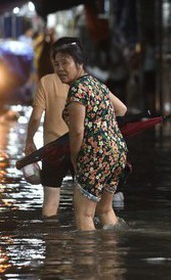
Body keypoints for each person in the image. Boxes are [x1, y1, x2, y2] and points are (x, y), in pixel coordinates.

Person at [51, 37, 128, 231]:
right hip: (116, 153)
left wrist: (75, 159)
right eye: (56, 64)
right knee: (105, 210)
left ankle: (87, 258)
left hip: (94, 155)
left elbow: (77, 132)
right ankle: (110, 257)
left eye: (65, 63)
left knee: (83, 214)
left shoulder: (78, 90)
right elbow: (122, 109)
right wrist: (101, 123)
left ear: (80, 63)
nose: (60, 68)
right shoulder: (97, 85)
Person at [24, 71, 70, 218]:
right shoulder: (89, 83)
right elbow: (120, 110)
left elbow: (36, 118)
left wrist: (30, 139)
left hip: (53, 149)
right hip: (81, 148)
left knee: (50, 203)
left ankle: (51, 238)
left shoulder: (47, 81)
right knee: (86, 206)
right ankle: (89, 240)